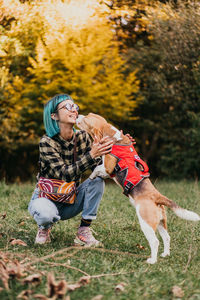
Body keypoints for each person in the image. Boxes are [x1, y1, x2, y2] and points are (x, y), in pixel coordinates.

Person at [28, 94, 114, 246]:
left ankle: (83, 231)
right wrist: (92, 154)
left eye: (75, 106)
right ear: (54, 116)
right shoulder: (46, 142)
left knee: (97, 180)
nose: (74, 110)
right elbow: (64, 173)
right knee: (45, 214)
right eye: (67, 106)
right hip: (47, 199)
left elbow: (99, 168)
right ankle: (44, 227)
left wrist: (119, 144)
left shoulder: (83, 137)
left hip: (70, 199)